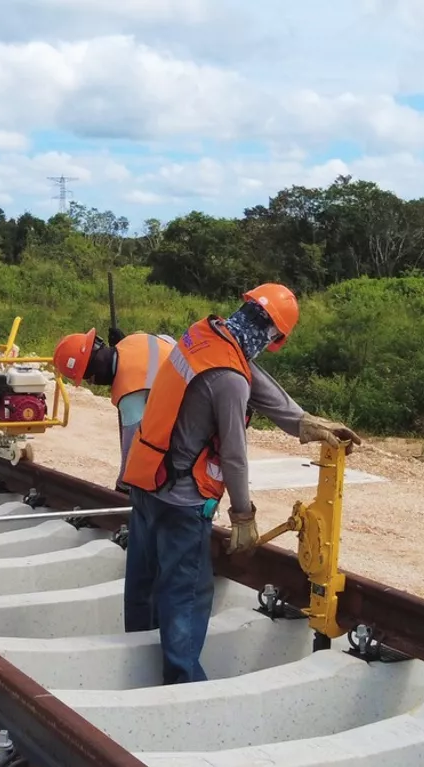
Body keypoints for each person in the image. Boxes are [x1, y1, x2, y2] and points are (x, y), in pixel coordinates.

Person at [116, 283, 363, 685]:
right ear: (273, 335)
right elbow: (233, 453)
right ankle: (182, 685)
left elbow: (249, 376)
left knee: (144, 583)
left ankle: (137, 669)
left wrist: (305, 423)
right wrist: (243, 516)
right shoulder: (230, 378)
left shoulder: (205, 334)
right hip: (182, 502)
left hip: (147, 480)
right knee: (187, 596)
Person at [51, 326, 178, 482]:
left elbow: (132, 455)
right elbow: (168, 342)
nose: (92, 383)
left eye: (89, 379)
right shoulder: (135, 339)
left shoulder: (129, 393)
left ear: (93, 371)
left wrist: (122, 485)